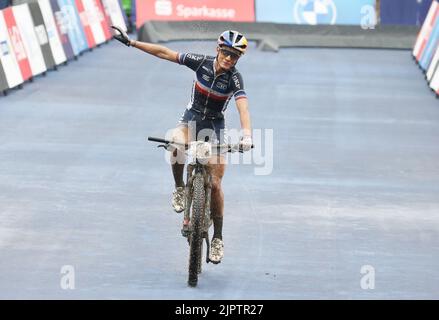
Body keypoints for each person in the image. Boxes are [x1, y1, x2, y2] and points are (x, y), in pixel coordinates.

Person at [111, 26, 252, 263]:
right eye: (226, 52)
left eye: (234, 56)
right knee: (175, 143)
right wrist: (132, 43)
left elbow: (243, 107)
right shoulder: (201, 63)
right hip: (191, 119)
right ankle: (179, 187)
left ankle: (218, 238)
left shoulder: (235, 78)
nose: (229, 58)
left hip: (215, 127)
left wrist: (247, 135)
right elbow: (165, 53)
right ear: (218, 49)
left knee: (216, 185)